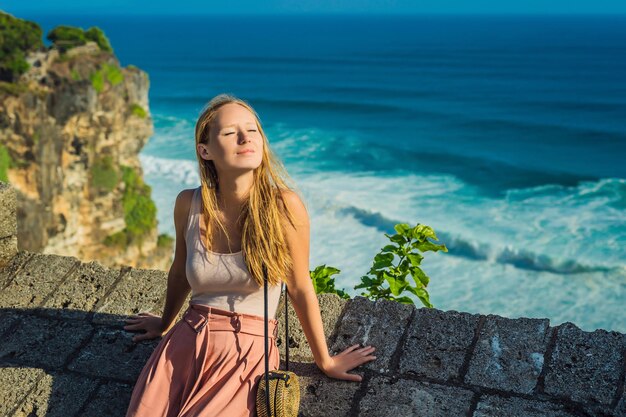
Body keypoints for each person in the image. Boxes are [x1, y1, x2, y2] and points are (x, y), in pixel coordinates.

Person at [122, 93, 377, 417]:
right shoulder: (188, 203)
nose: (245, 138)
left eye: (252, 129)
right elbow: (178, 272)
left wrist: (324, 360)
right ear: (206, 150)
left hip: (246, 351)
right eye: (230, 133)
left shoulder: (283, 206)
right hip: (185, 345)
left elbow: (299, 286)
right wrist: (164, 321)